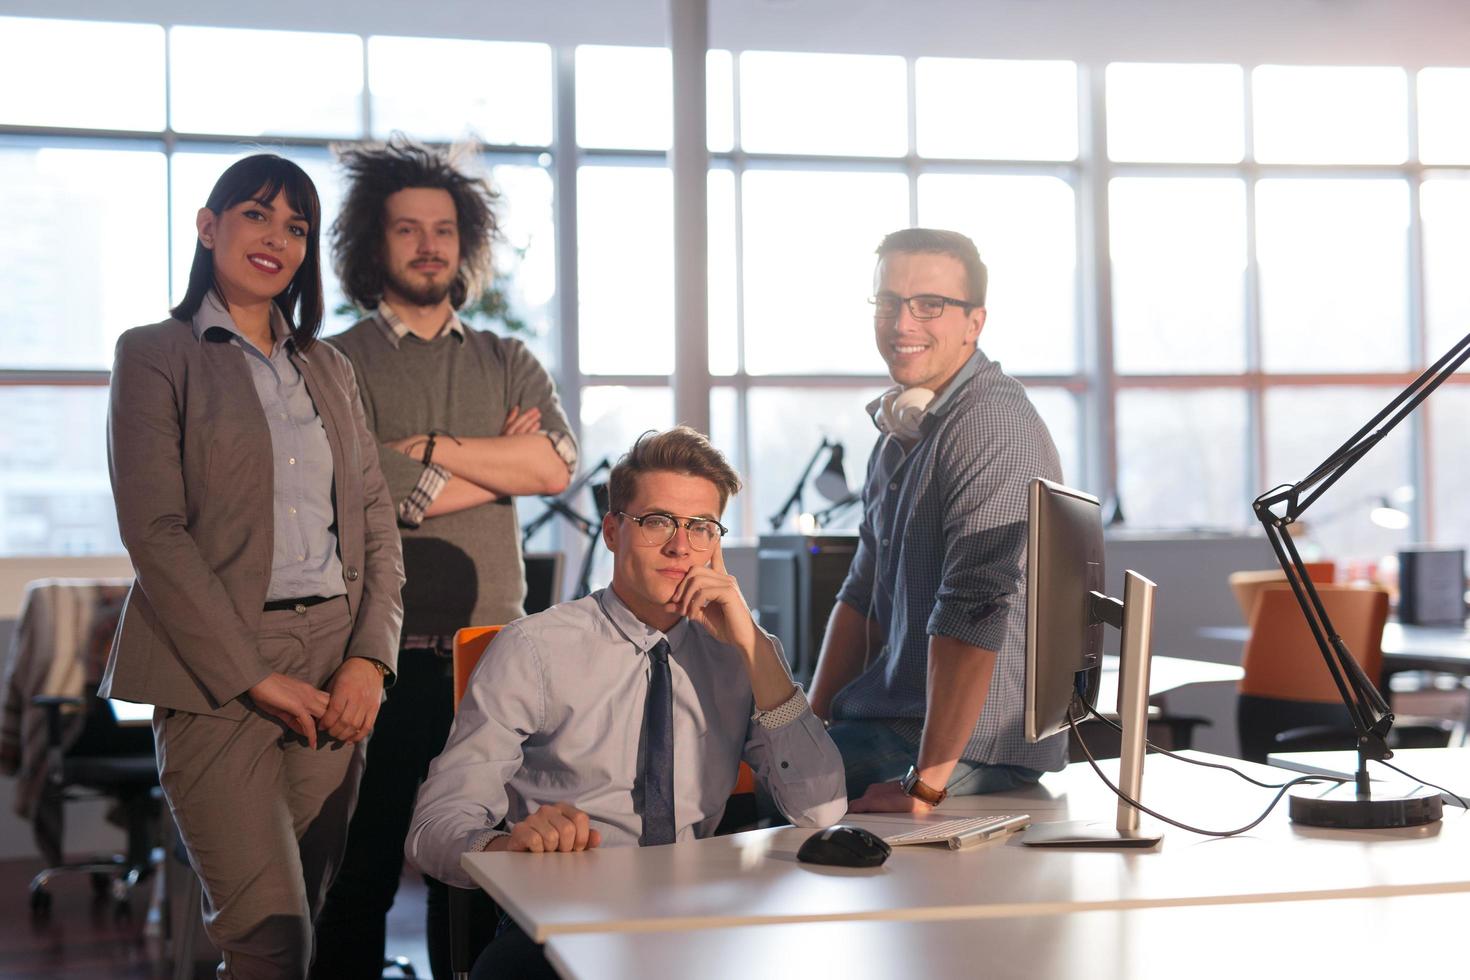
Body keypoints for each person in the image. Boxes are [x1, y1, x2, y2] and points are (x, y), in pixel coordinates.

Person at [102, 154, 405, 979]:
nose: (276, 239)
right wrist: (254, 678)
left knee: (298, 921)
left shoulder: (331, 369)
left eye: (295, 227)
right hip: (216, 675)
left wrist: (371, 660)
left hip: (336, 665)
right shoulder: (156, 355)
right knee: (270, 935)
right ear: (210, 227)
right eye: (256, 217)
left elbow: (376, 523)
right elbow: (156, 535)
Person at [406, 427, 847, 980]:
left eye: (701, 528)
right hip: (564, 914)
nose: (680, 546)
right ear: (613, 531)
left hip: (702, 913)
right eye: (657, 521)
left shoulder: (743, 653)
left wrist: (758, 653)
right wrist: (507, 845)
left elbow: (823, 811)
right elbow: (435, 826)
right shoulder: (534, 649)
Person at [312, 138, 575, 980]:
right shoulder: (335, 363)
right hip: (371, 658)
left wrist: (420, 452)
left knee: (475, 874)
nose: (429, 244)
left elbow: (554, 467)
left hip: (493, 656)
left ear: (466, 245)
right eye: (407, 229)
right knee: (360, 874)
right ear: (372, 243)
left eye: (444, 229)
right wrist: (495, 463)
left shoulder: (508, 359)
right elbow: (352, 490)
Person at [807, 227, 1067, 815]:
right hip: (895, 720)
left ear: (974, 323)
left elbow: (974, 607)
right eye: (888, 302)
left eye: (930, 305)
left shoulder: (990, 428)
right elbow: (859, 596)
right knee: (743, 764)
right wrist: (805, 727)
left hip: (963, 747)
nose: (902, 324)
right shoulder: (901, 435)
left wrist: (925, 785)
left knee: (730, 791)